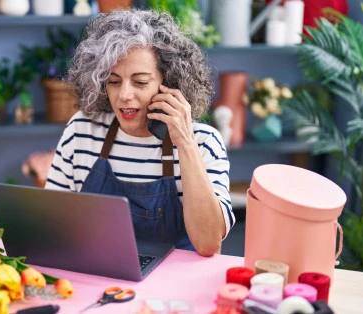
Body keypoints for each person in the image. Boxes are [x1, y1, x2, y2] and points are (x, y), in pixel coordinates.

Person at [45, 9, 234, 256]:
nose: (124, 95)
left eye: (140, 82)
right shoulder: (82, 130)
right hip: (100, 276)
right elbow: (51, 224)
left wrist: (185, 143)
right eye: (113, 81)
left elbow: (209, 243)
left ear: (170, 85)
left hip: (174, 288)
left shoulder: (204, 141)